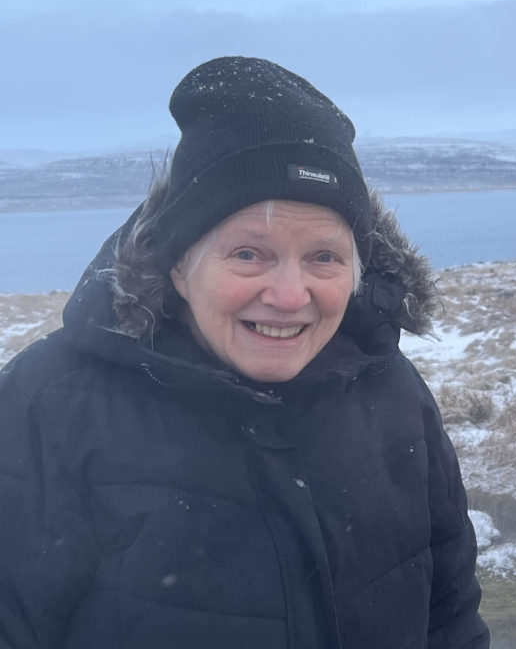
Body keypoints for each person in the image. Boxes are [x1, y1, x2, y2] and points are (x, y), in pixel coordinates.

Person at [0, 57, 490, 649]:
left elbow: (451, 614)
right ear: (178, 265)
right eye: (248, 254)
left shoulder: (390, 390)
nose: (289, 295)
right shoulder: (47, 409)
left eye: (324, 257)